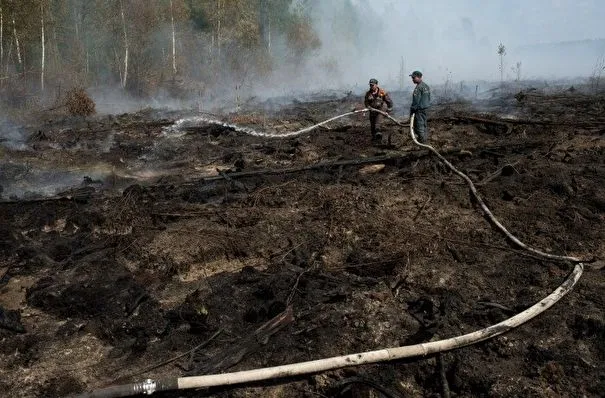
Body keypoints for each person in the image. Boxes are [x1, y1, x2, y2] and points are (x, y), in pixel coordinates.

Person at [364, 78, 393, 142]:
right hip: (373, 109)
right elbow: (366, 102)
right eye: (370, 85)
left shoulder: (382, 92)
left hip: (381, 108)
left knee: (378, 121)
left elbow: (389, 101)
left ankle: (378, 132)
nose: (371, 86)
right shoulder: (368, 94)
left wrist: (389, 109)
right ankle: (374, 137)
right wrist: (369, 107)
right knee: (372, 124)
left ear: (376, 85)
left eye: (373, 85)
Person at [409, 71, 431, 143]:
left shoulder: (418, 88)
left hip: (419, 110)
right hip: (425, 108)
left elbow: (416, 101)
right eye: (412, 78)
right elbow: (428, 98)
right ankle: (424, 140)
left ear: (419, 77)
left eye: (414, 78)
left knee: (419, 126)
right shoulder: (426, 86)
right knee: (424, 125)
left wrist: (412, 110)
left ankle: (423, 143)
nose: (412, 79)